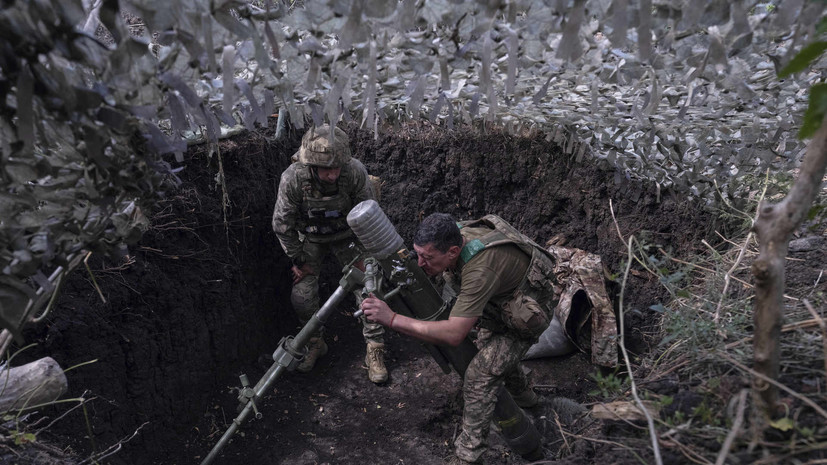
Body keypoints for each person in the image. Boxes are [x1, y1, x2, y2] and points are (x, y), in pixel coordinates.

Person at [361, 213, 559, 465]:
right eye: (417, 254)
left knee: (480, 375)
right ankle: (527, 399)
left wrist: (391, 319)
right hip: (499, 303)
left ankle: (468, 456)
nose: (420, 263)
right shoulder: (454, 234)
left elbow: (454, 334)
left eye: (428, 258)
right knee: (492, 354)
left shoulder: (479, 269)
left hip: (526, 314)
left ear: (453, 251)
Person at [272, 124, 388, 384]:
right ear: (311, 165)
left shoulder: (355, 172)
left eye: (337, 168)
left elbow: (369, 214)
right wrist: (299, 260)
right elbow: (282, 225)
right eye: (326, 169)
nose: (333, 175)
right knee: (301, 295)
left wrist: (364, 254)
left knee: (370, 286)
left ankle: (375, 348)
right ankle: (314, 342)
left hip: (349, 237)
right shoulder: (293, 178)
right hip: (311, 240)